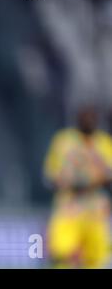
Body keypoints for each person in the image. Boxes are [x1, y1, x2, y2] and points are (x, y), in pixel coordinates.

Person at [44, 105, 112, 268]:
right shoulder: (64, 141)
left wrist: (94, 179)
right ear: (77, 119)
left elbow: (108, 175)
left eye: (92, 117)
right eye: (85, 116)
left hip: (96, 209)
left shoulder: (104, 142)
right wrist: (69, 181)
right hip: (69, 206)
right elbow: (52, 174)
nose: (89, 121)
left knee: (97, 258)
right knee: (61, 254)